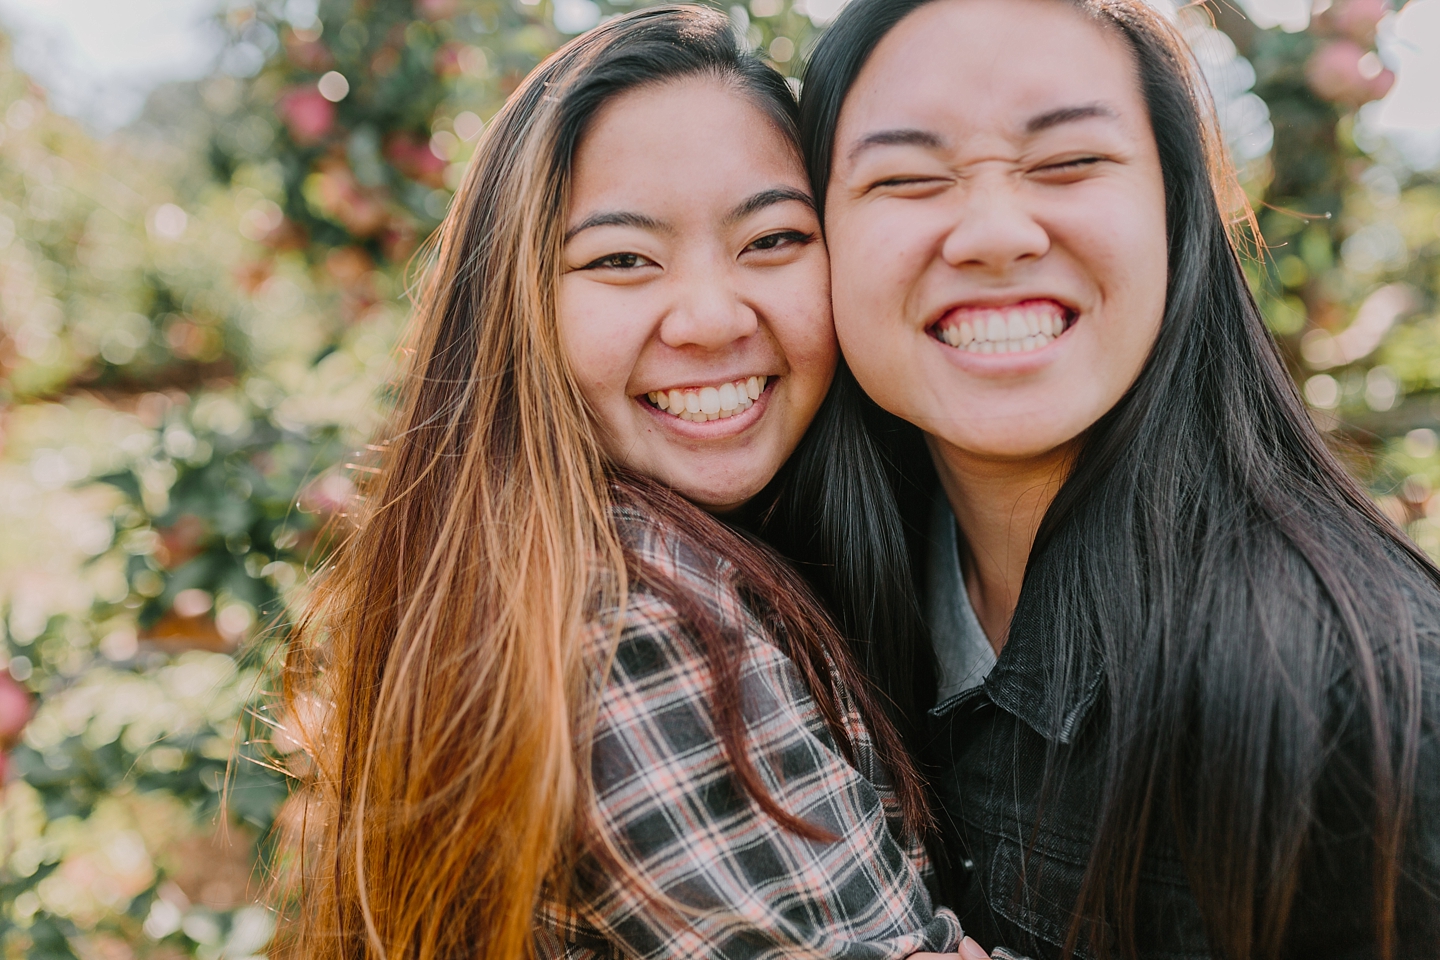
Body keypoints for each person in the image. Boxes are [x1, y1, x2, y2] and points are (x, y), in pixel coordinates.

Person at [278, 7, 976, 960]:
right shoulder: (644, 622)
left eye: (771, 240)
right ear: (517, 305)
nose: (708, 317)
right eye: (620, 259)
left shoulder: (532, 570)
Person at [799, 0, 1440, 956]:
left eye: (1067, 163)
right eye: (905, 178)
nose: (993, 233)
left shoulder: (1365, 695)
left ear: (1180, 214)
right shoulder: (789, 616)